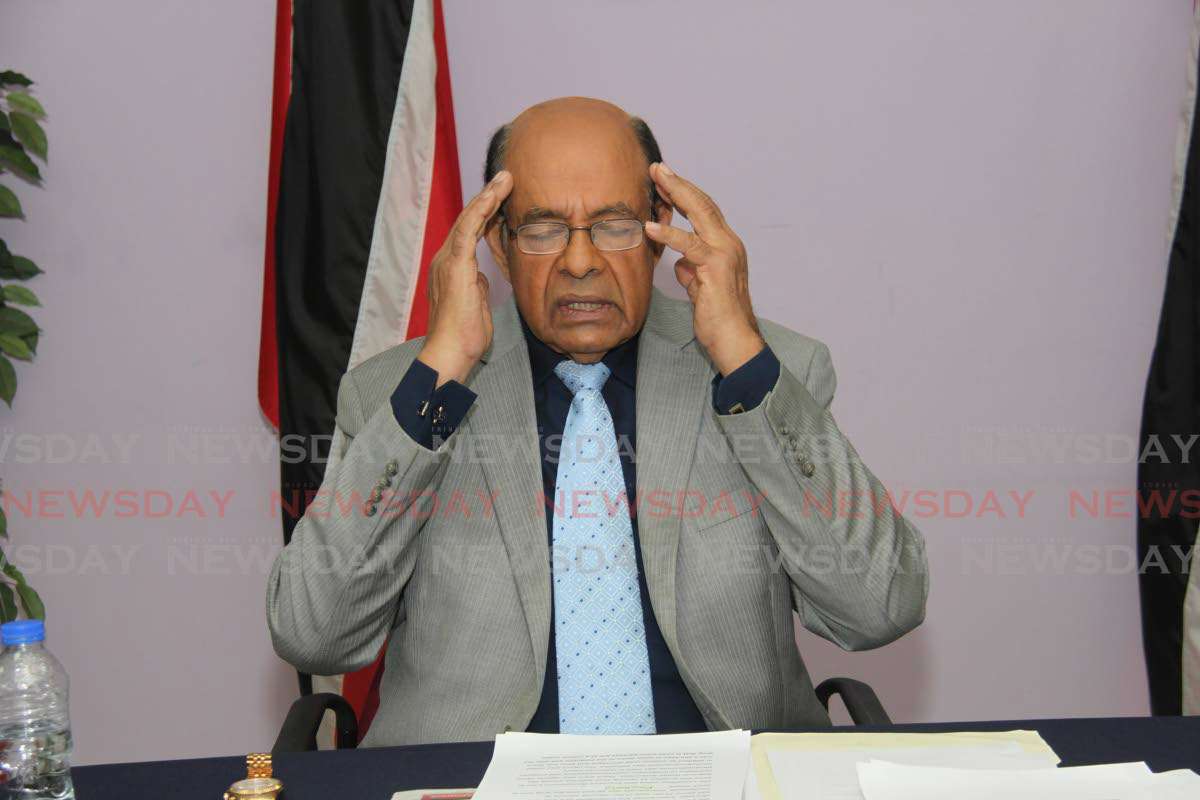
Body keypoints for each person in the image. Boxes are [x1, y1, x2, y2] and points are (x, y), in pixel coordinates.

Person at [267, 96, 928, 746]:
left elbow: (878, 607)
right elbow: (315, 634)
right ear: (497, 242)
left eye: (614, 225)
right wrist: (441, 372)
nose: (580, 262)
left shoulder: (766, 370)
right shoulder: (401, 394)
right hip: (467, 784)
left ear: (660, 227)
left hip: (726, 778)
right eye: (542, 229)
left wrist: (743, 361)